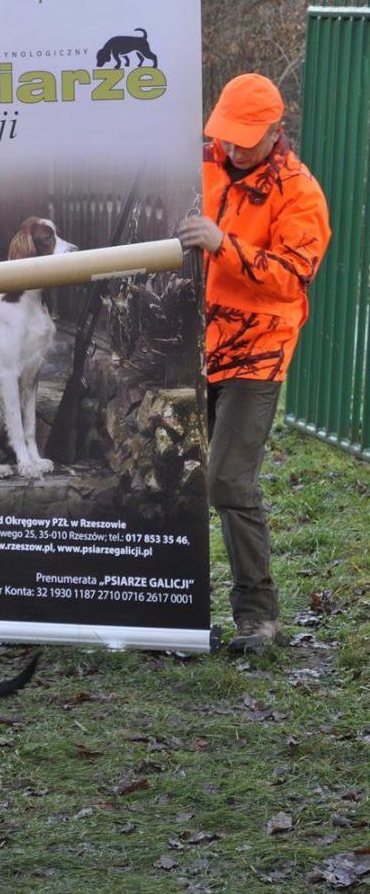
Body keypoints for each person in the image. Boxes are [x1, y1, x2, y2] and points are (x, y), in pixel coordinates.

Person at [177, 73, 330, 653]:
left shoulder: (299, 192)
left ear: (274, 131)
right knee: (184, 477)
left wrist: (223, 245)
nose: (234, 148)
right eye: (228, 136)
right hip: (195, 345)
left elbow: (293, 277)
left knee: (229, 481)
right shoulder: (202, 163)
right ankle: (166, 603)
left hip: (257, 352)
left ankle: (259, 617)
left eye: (246, 138)